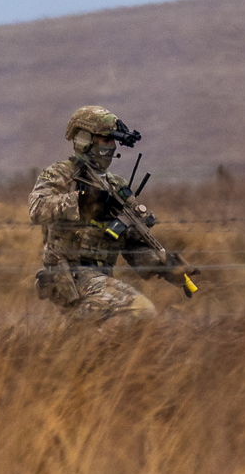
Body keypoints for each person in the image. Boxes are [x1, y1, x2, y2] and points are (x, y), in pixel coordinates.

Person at [29, 105, 193, 322]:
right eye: (106, 139)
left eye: (113, 141)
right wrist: (80, 201)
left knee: (130, 322)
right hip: (68, 277)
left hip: (99, 277)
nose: (112, 146)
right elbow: (37, 208)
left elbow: (131, 244)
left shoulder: (115, 185)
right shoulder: (61, 174)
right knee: (141, 312)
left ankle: (77, 346)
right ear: (85, 140)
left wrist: (163, 266)